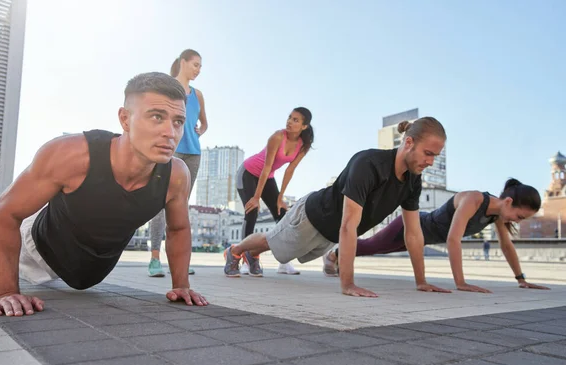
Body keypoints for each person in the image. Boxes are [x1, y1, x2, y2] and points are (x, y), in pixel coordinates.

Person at [0, 72, 209, 318]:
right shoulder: (71, 154)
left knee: (82, 276)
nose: (170, 133)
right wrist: (5, 292)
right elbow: (4, 212)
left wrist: (181, 285)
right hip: (39, 249)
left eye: (178, 121)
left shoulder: (176, 175)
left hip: (91, 270)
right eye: (157, 117)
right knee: (12, 237)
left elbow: (179, 229)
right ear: (125, 119)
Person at [223, 117, 448, 297]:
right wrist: (348, 284)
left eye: (435, 157)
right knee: (271, 241)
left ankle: (253, 255)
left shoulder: (413, 182)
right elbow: (349, 225)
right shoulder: (369, 164)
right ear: (408, 142)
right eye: (428, 153)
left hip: (331, 232)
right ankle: (234, 251)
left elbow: (414, 233)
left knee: (282, 250)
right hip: (312, 216)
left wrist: (422, 282)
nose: (430, 162)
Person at [322, 179, 550, 293]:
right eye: (519, 216)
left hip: (423, 238)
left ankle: (336, 255)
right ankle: (333, 255)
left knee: (375, 248)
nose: (516, 222)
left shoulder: (498, 216)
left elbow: (506, 245)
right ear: (508, 202)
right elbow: (453, 238)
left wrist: (521, 279)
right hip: (411, 226)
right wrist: (461, 283)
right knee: (373, 246)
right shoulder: (474, 200)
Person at [147, 49, 208, 278]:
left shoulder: (198, 94)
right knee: (159, 204)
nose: (198, 70)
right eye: (195, 64)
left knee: (180, 207)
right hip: (169, 151)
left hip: (193, 154)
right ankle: (154, 259)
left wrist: (197, 133)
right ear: (183, 62)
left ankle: (180, 261)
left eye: (201, 66)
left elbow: (204, 124)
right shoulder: (166, 86)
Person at [232, 107, 314, 277]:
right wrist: (256, 197)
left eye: (296, 120)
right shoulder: (277, 136)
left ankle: (284, 263)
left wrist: (280, 198)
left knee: (282, 215)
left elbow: (289, 170)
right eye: (290, 117)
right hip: (248, 172)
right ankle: (245, 259)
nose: (289, 122)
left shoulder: (303, 145)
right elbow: (266, 167)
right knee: (251, 212)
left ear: (304, 126)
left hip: (267, 177)